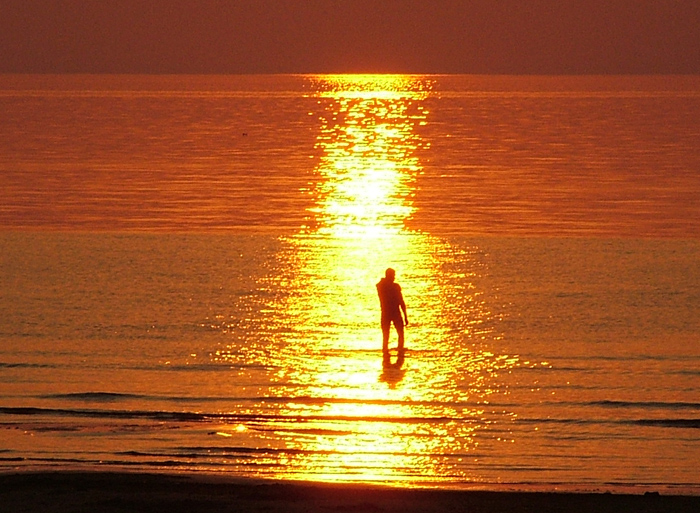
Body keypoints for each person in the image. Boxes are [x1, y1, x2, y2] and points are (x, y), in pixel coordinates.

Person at [376, 268, 408, 357]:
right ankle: (388, 353)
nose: (394, 277)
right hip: (389, 312)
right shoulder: (386, 286)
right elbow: (401, 301)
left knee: (399, 333)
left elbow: (401, 301)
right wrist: (405, 315)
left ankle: (399, 351)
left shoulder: (386, 286)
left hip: (393, 312)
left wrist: (405, 315)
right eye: (393, 276)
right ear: (388, 276)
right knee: (387, 335)